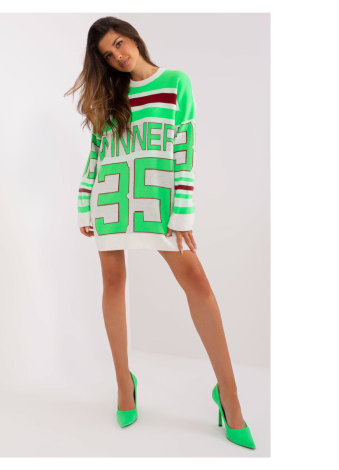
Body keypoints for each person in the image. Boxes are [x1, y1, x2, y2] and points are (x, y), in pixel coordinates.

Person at [65, 16, 256, 449]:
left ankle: (229, 394)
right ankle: (124, 384)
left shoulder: (175, 83)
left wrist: (182, 212)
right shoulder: (111, 97)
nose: (117, 55)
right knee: (113, 283)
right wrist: (83, 201)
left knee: (197, 283)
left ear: (133, 37)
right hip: (112, 199)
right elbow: (97, 153)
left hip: (157, 199)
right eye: (107, 54)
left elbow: (184, 148)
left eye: (119, 43)